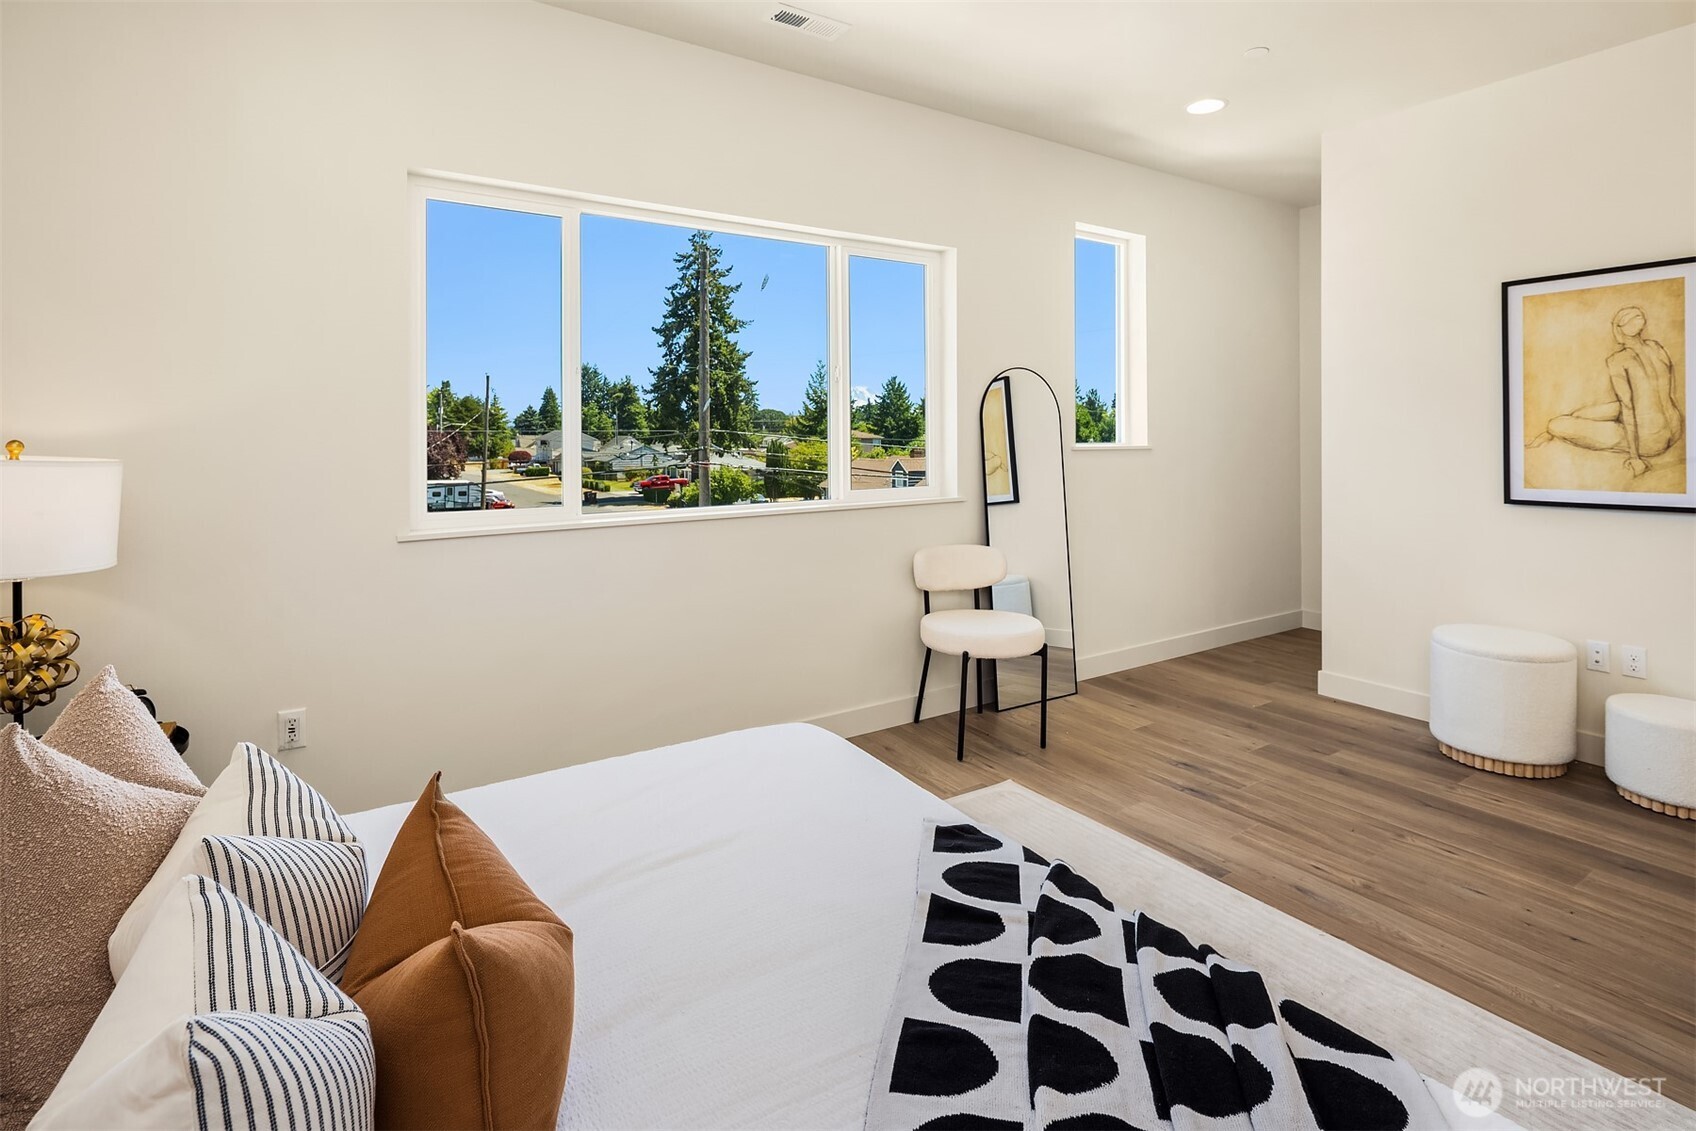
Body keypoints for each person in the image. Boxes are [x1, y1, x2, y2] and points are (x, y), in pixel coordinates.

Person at [1529, 305, 1683, 477]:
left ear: (1619, 331)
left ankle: (1555, 430)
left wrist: (1635, 457)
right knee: (1595, 411)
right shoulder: (1656, 348)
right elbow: (1665, 391)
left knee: (1555, 424)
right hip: (1675, 428)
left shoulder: (1618, 361)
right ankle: (1574, 418)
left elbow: (1628, 407)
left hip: (1650, 441)